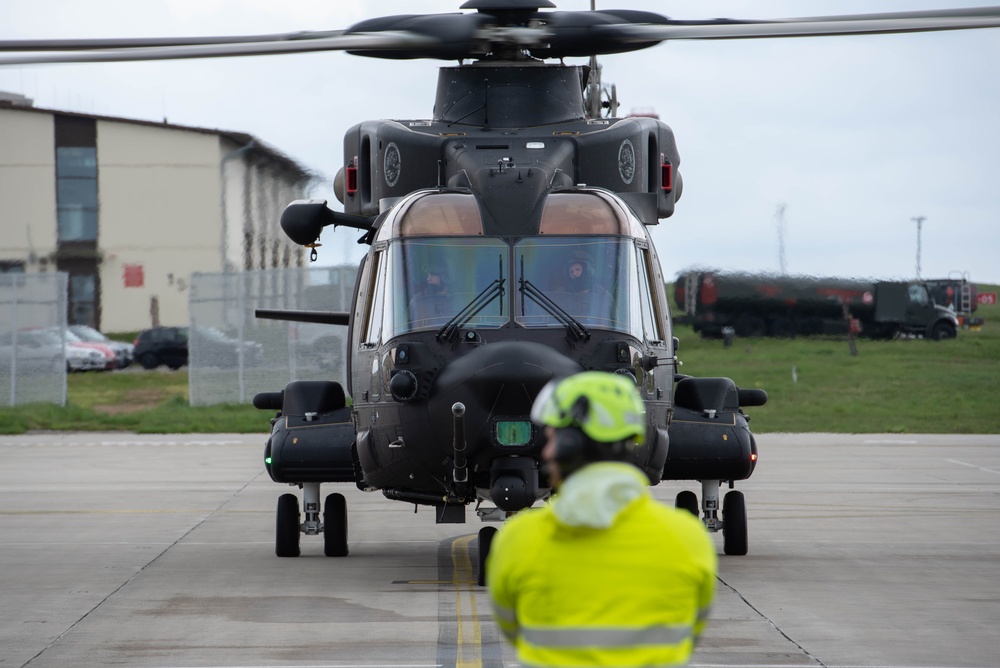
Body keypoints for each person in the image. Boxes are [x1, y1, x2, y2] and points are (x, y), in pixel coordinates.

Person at [487, 371, 717, 667]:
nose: (546, 451)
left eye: (551, 439)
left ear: (567, 447)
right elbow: (692, 631)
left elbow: (513, 628)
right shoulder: (688, 537)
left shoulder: (519, 538)